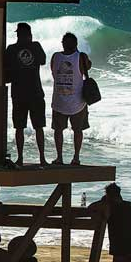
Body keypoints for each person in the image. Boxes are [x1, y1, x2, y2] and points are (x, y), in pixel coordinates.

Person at [4, 22, 48, 167]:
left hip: (19, 93)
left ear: (19, 34)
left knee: (20, 127)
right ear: (30, 34)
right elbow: (42, 60)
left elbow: (5, 69)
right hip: (35, 92)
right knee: (38, 127)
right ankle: (41, 159)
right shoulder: (35, 46)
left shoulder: (11, 49)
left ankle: (21, 158)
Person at [50, 32, 92, 166]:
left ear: (63, 43)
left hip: (59, 101)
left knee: (58, 130)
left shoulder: (55, 57)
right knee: (77, 130)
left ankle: (59, 158)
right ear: (76, 44)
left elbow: (53, 72)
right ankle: (76, 158)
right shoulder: (80, 57)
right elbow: (88, 66)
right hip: (78, 101)